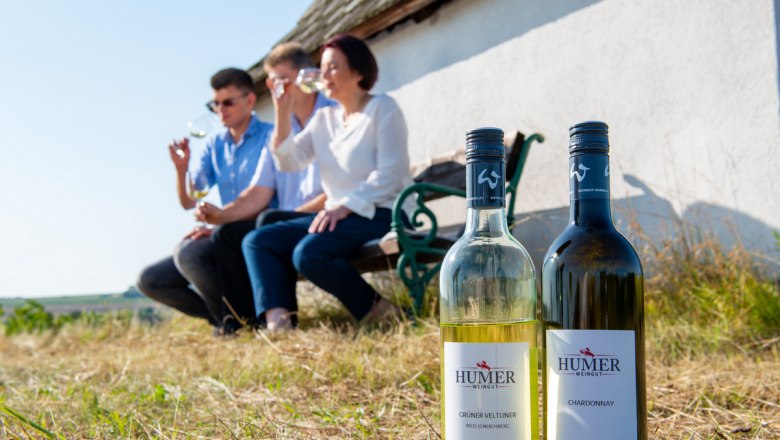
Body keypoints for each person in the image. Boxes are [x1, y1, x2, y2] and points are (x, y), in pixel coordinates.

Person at [242, 34, 411, 331]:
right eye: (322, 68)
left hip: (384, 212)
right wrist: (282, 111)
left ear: (358, 71)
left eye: (333, 67)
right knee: (258, 240)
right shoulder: (324, 120)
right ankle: (279, 326)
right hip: (340, 216)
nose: (324, 75)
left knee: (308, 254)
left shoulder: (383, 108)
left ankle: (383, 312)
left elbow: (391, 174)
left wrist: (343, 207)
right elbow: (287, 161)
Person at [195, 42, 335, 330]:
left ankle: (280, 321)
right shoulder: (280, 130)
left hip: (330, 213)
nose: (278, 88)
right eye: (274, 82)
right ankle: (242, 323)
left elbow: (342, 187)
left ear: (306, 77)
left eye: (284, 79)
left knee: (268, 224)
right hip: (289, 220)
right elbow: (258, 192)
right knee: (228, 234)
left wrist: (291, 215)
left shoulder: (333, 116)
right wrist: (219, 216)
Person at [136, 68, 272, 334]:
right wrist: (181, 168)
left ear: (250, 100)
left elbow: (265, 199)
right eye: (215, 104)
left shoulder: (271, 136)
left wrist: (218, 223)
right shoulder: (215, 145)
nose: (221, 110)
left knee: (189, 254)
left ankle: (237, 321)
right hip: (222, 231)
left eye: (228, 102)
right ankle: (226, 319)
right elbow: (189, 200)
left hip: (257, 228)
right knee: (150, 280)